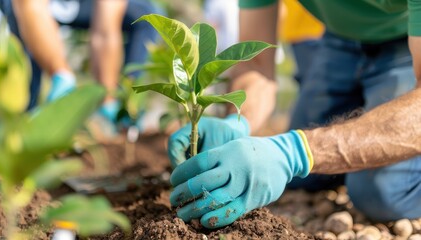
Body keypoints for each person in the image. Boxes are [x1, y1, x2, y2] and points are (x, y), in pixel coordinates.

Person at [167, 0, 421, 229]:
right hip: (340, 39)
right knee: (305, 178)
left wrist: (296, 151)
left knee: (381, 193)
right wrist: (237, 120)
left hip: (407, 39)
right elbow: (256, 64)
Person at [0, 0, 160, 140]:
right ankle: (22, 121)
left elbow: (105, 31)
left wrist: (107, 96)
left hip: (83, 6)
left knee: (147, 16)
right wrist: (61, 76)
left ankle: (125, 106)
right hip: (30, 7)